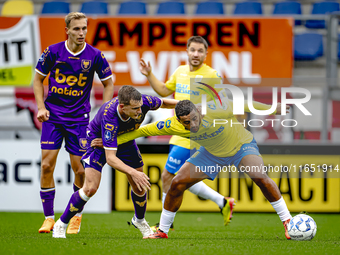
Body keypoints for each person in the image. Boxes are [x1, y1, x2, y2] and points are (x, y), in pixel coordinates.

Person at [117, 99, 293, 239]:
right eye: (187, 122)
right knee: (177, 183)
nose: (193, 124)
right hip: (211, 153)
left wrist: (273, 109)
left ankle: (288, 222)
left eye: (195, 118)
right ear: (179, 121)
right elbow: (141, 132)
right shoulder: (172, 125)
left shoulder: (216, 108)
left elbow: (243, 103)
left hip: (240, 145)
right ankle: (162, 231)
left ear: (199, 111)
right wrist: (111, 142)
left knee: (259, 176)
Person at [52, 85, 178, 239]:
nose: (140, 112)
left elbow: (164, 102)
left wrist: (187, 105)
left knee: (139, 187)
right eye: (135, 109)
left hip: (125, 141)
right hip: (97, 143)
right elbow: (111, 158)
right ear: (122, 107)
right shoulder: (110, 117)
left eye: (140, 107)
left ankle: (139, 220)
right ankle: (61, 224)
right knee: (90, 188)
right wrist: (132, 172)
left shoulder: (143, 101)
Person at [139, 36, 235, 228]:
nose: (196, 54)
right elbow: (165, 91)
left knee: (167, 176)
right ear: (187, 51)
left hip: (195, 135)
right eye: (193, 50)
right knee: (179, 179)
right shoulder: (180, 71)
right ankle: (222, 201)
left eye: (200, 51)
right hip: (179, 131)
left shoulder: (212, 75)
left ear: (206, 54)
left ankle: (166, 223)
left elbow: (223, 101)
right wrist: (149, 74)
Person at [33, 12, 114, 234]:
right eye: (77, 29)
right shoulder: (53, 51)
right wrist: (41, 107)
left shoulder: (95, 55)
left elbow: (109, 84)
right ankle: (49, 218)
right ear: (67, 30)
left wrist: (105, 112)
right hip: (53, 117)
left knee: (79, 170)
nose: (81, 33)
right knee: (47, 165)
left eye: (84, 28)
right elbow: (38, 80)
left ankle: (76, 215)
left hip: (79, 120)